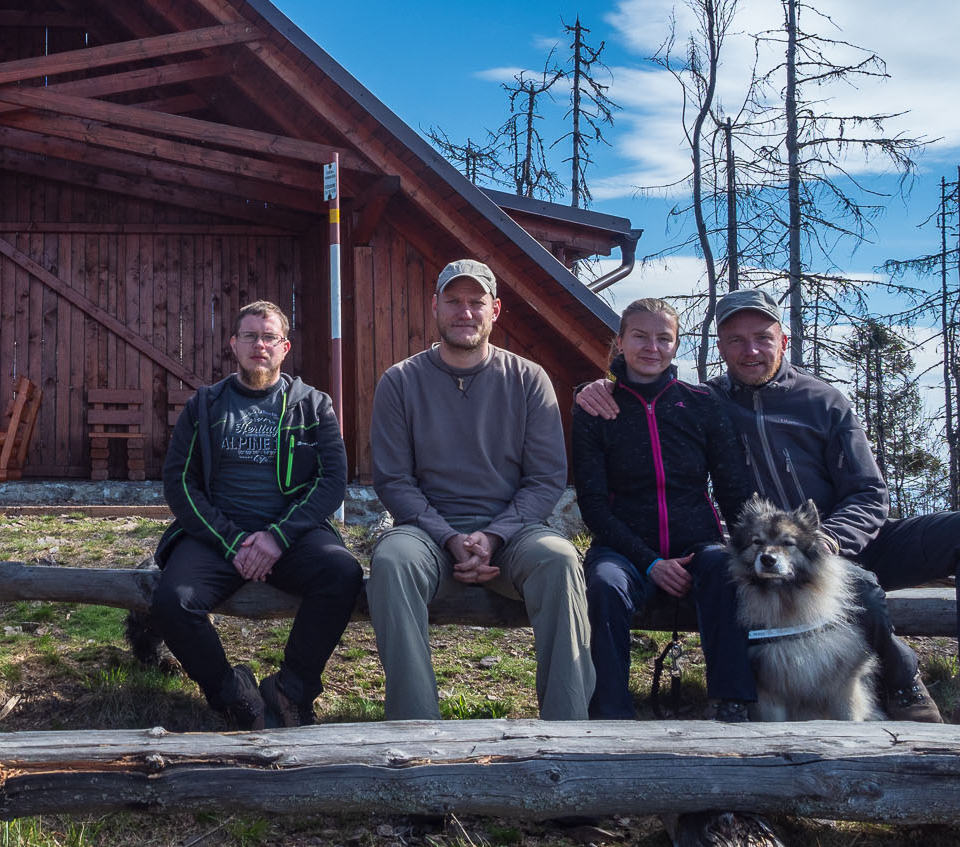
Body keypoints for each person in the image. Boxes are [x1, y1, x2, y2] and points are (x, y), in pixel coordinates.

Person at [577, 288, 960, 723]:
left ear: (783, 341)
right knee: (860, 587)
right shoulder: (708, 402)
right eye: (736, 341)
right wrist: (595, 386)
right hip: (781, 555)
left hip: (848, 539)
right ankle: (903, 682)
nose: (750, 351)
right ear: (721, 349)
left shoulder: (821, 400)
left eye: (763, 338)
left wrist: (829, 539)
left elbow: (869, 493)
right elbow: (647, 396)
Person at [367, 259, 593, 721]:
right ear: (435, 307)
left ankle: (568, 729)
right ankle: (415, 729)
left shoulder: (530, 380)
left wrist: (494, 536)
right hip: (426, 535)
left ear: (496, 310)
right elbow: (393, 480)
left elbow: (545, 478)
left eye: (476, 303)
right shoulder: (400, 381)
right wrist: (448, 537)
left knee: (561, 559)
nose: (464, 313)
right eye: (454, 301)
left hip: (514, 535)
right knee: (391, 561)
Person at [152, 300, 359, 729]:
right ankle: (232, 695)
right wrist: (232, 542)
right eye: (249, 336)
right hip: (217, 539)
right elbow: (179, 483)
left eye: (268, 337)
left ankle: (290, 691)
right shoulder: (205, 406)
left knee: (342, 573)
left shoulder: (313, 405)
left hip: (293, 537)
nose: (259, 345)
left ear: (285, 346)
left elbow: (332, 482)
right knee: (173, 601)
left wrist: (276, 538)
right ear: (233, 344)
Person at [573, 297, 755, 720]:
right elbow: (594, 506)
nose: (651, 347)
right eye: (639, 336)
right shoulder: (595, 409)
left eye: (663, 338)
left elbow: (733, 490)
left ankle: (734, 703)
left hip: (697, 546)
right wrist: (651, 562)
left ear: (676, 346)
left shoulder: (701, 403)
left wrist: (749, 542)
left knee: (725, 571)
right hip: (623, 550)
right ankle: (611, 714)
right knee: (603, 585)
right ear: (619, 342)